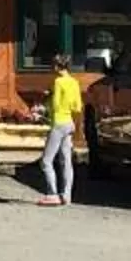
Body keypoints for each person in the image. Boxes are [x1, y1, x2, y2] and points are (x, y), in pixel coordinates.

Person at [39, 56, 82, 207]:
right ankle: (67, 194)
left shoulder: (58, 82)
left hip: (58, 122)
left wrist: (43, 108)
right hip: (69, 122)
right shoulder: (74, 82)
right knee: (66, 161)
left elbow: (56, 104)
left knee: (46, 161)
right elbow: (77, 107)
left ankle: (52, 194)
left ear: (57, 66)